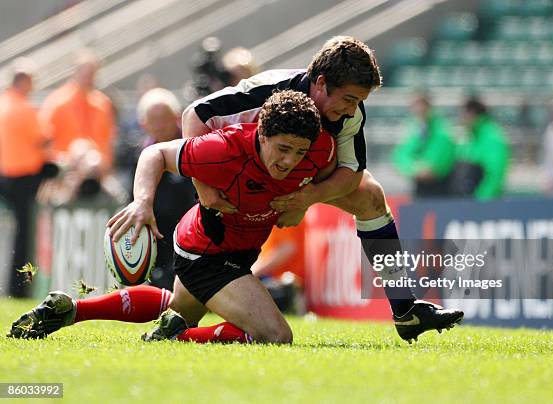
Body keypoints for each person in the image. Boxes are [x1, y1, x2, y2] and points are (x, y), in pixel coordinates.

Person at [181, 36, 463, 343]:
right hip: (242, 186)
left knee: (370, 196)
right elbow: (194, 116)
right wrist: (206, 190)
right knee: (188, 299)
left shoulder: (350, 112)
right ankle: (174, 319)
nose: (352, 109)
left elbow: (352, 174)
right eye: (348, 99)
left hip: (292, 186)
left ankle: (405, 309)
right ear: (320, 82)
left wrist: (308, 198)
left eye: (358, 101)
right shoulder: (269, 90)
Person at [8, 90, 334, 344]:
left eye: (299, 152)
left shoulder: (320, 150)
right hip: (208, 251)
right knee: (276, 335)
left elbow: (347, 179)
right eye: (283, 149)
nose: (290, 160)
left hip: (232, 248)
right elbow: (155, 153)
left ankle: (71, 310)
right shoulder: (225, 149)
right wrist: (142, 202)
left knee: (177, 309)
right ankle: (177, 336)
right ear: (262, 134)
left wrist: (308, 200)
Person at [0, 58, 54, 297]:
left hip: (5, 176)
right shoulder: (24, 108)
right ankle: (19, 287)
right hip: (24, 178)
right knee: (25, 234)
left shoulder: (3, 105)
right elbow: (43, 138)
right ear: (23, 82)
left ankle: (15, 283)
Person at [132, 88, 196, 290]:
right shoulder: (139, 155)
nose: (160, 125)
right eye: (154, 120)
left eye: (165, 118)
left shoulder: (191, 148)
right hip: (155, 233)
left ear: (177, 118)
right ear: (144, 124)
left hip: (189, 233)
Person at [38, 49, 116, 172]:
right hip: (65, 171)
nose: (88, 78)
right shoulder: (57, 102)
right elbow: (43, 142)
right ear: (75, 72)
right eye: (85, 74)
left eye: (92, 74)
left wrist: (105, 166)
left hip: (95, 172)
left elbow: (107, 140)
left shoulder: (103, 103)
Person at [392, 94, 455, 198]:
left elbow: (443, 154)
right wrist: (415, 169)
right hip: (420, 185)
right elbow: (401, 154)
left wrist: (430, 168)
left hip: (441, 186)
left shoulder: (442, 129)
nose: (418, 110)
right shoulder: (413, 129)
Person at [451, 96, 510, 200]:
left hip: (486, 205)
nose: (461, 118)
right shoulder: (471, 136)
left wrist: (480, 201)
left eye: (464, 114)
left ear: (472, 113)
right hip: (469, 201)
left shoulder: (492, 137)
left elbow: (495, 174)